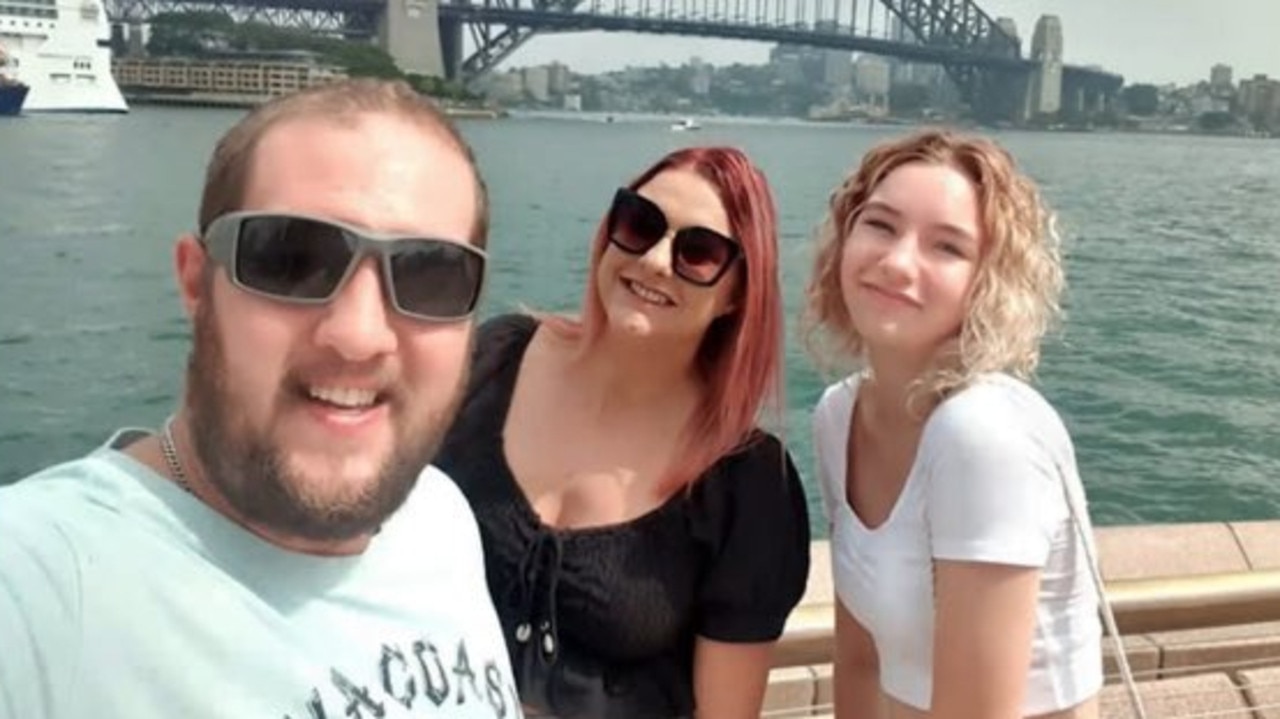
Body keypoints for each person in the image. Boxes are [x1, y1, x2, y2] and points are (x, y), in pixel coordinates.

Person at [0, 79, 522, 719]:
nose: (358, 335)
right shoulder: (36, 588)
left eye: (430, 274)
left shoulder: (440, 516)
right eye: (291, 257)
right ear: (197, 282)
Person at [435, 146, 811, 718]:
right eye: (640, 223)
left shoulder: (747, 482)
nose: (657, 260)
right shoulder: (495, 358)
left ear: (737, 294)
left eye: (700, 253)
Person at [805, 129, 1102, 719]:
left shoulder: (981, 436)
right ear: (845, 237)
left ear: (985, 285)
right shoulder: (839, 416)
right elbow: (859, 657)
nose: (896, 262)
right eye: (881, 225)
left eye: (947, 247)